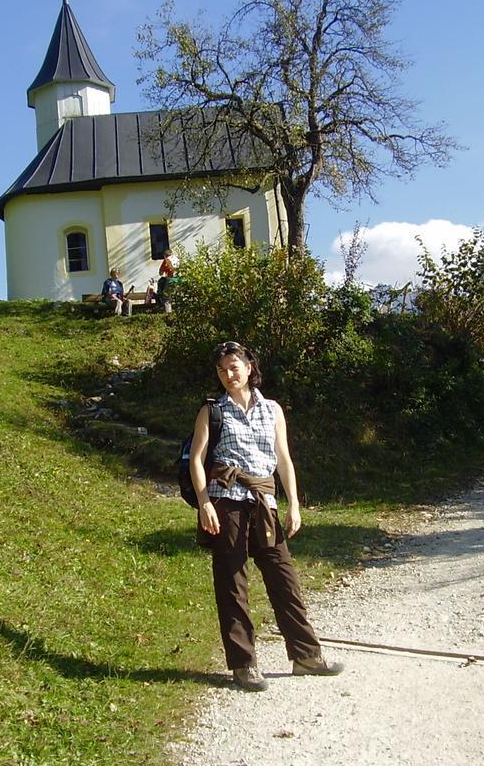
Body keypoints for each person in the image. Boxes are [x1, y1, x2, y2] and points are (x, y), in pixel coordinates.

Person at [190, 341, 344, 692]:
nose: (229, 375)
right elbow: (197, 460)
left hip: (265, 502)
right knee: (233, 583)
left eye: (234, 366)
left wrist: (294, 504)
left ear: (249, 365)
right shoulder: (213, 411)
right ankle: (244, 664)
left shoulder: (272, 409)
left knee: (283, 576)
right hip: (226, 501)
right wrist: (204, 503)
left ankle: (306, 656)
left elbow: (284, 459)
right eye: (222, 370)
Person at [156, 250, 180, 314]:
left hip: (171, 279)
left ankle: (168, 314)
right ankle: (179, 312)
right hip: (179, 279)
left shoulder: (166, 260)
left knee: (166, 297)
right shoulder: (177, 259)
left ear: (165, 255)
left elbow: (160, 273)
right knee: (177, 296)